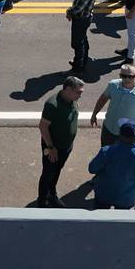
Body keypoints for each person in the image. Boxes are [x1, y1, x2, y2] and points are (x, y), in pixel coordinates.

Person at [37, 76, 84, 208]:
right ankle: (42, 201)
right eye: (78, 92)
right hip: (54, 148)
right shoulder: (52, 104)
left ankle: (52, 194)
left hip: (66, 147)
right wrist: (51, 147)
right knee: (48, 173)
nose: (80, 95)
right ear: (68, 89)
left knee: (56, 171)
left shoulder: (72, 100)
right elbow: (43, 126)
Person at [88, 122, 135, 210]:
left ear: (120, 135)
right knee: (121, 221)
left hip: (104, 194)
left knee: (101, 219)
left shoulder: (107, 151)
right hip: (126, 197)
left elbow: (92, 169)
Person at [90, 64, 135, 146]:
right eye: (124, 76)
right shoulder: (113, 85)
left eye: (130, 76)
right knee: (105, 153)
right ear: (120, 76)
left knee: (121, 157)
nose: (127, 79)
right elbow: (103, 99)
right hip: (108, 128)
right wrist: (94, 114)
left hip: (126, 135)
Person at [66, 0, 99, 72]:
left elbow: (79, 8)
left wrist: (69, 11)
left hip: (80, 19)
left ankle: (78, 67)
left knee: (77, 43)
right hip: (86, 17)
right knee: (82, 39)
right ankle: (82, 61)